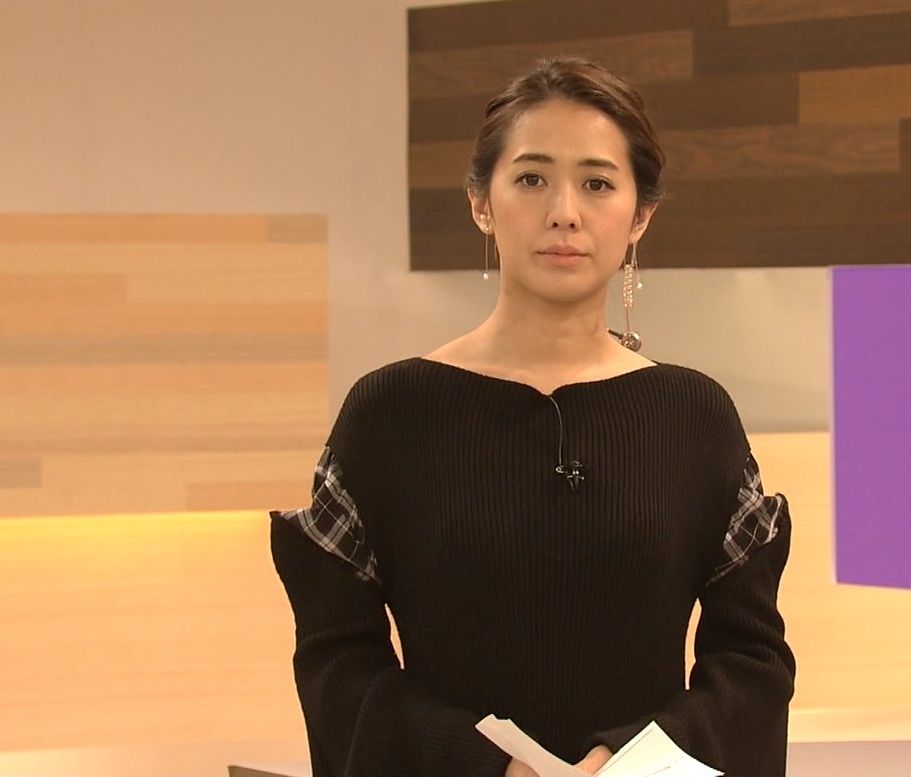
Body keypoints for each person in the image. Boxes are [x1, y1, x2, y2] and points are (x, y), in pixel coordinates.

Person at [270, 57, 795, 777]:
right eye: (531, 179)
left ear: (640, 216)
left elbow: (752, 660)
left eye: (598, 184)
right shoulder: (386, 414)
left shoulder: (696, 417)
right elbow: (337, 664)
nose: (564, 213)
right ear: (480, 203)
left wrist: (625, 761)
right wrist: (489, 768)